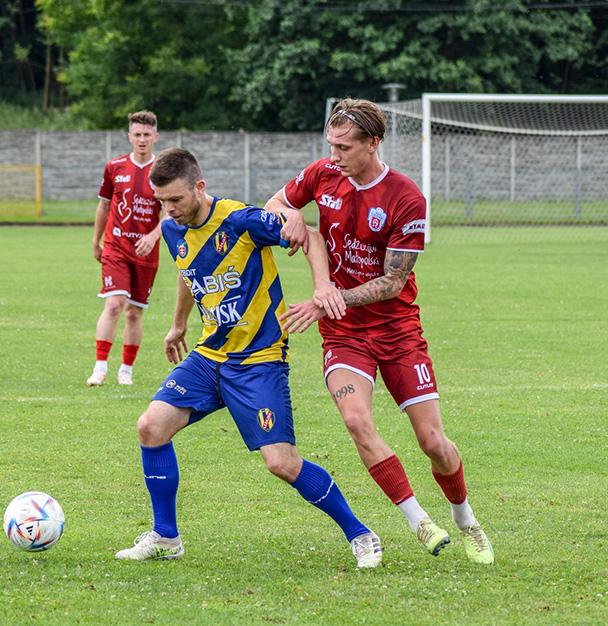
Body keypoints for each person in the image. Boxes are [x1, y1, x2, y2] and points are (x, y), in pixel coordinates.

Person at [115, 147, 383, 569]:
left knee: (282, 463)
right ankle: (166, 537)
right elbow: (188, 269)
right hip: (209, 356)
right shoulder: (172, 228)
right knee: (151, 426)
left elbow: (311, 236)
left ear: (199, 187)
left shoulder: (241, 220)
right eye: (162, 202)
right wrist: (178, 324)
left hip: (259, 359)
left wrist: (321, 287)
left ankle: (361, 534)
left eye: (176, 200)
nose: (169, 210)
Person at [266, 98, 494, 565]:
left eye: (344, 147)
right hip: (345, 335)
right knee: (356, 422)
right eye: (331, 145)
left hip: (398, 332)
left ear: (373, 143)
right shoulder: (323, 174)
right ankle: (417, 520)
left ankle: (466, 518)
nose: (334, 156)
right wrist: (291, 215)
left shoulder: (406, 198)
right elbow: (276, 202)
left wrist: (329, 298)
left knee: (434, 443)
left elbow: (393, 282)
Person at [87, 110, 164, 386]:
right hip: (116, 246)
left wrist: (153, 236)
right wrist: (96, 240)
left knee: (134, 311)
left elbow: (170, 211)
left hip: (146, 252)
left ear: (155, 137)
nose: (142, 139)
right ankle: (100, 368)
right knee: (114, 304)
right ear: (129, 136)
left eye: (147, 134)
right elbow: (104, 206)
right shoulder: (115, 167)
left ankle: (126, 370)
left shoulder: (164, 171)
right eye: (137, 134)